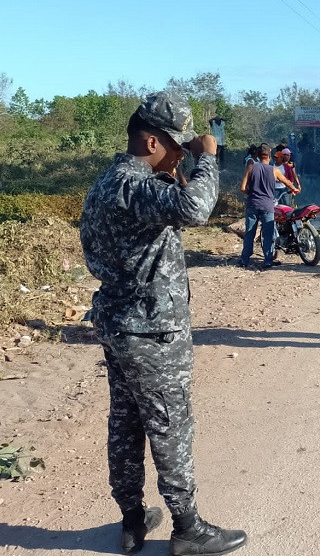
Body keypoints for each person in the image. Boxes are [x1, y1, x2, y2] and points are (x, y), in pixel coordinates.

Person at [80, 92, 247, 556]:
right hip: (152, 330)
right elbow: (196, 209)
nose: (181, 154)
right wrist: (207, 159)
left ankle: (132, 521)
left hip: (117, 323)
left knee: (126, 423)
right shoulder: (136, 186)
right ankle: (188, 528)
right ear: (152, 141)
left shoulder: (104, 184)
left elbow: (97, 254)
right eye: (176, 146)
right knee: (170, 426)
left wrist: (177, 167)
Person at [239, 145, 299, 268]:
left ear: (259, 156)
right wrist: (294, 189)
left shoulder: (251, 167)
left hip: (252, 204)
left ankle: (245, 259)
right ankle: (268, 260)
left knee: (250, 232)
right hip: (267, 206)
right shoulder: (274, 170)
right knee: (268, 234)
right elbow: (286, 181)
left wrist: (252, 194)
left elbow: (242, 188)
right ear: (269, 157)